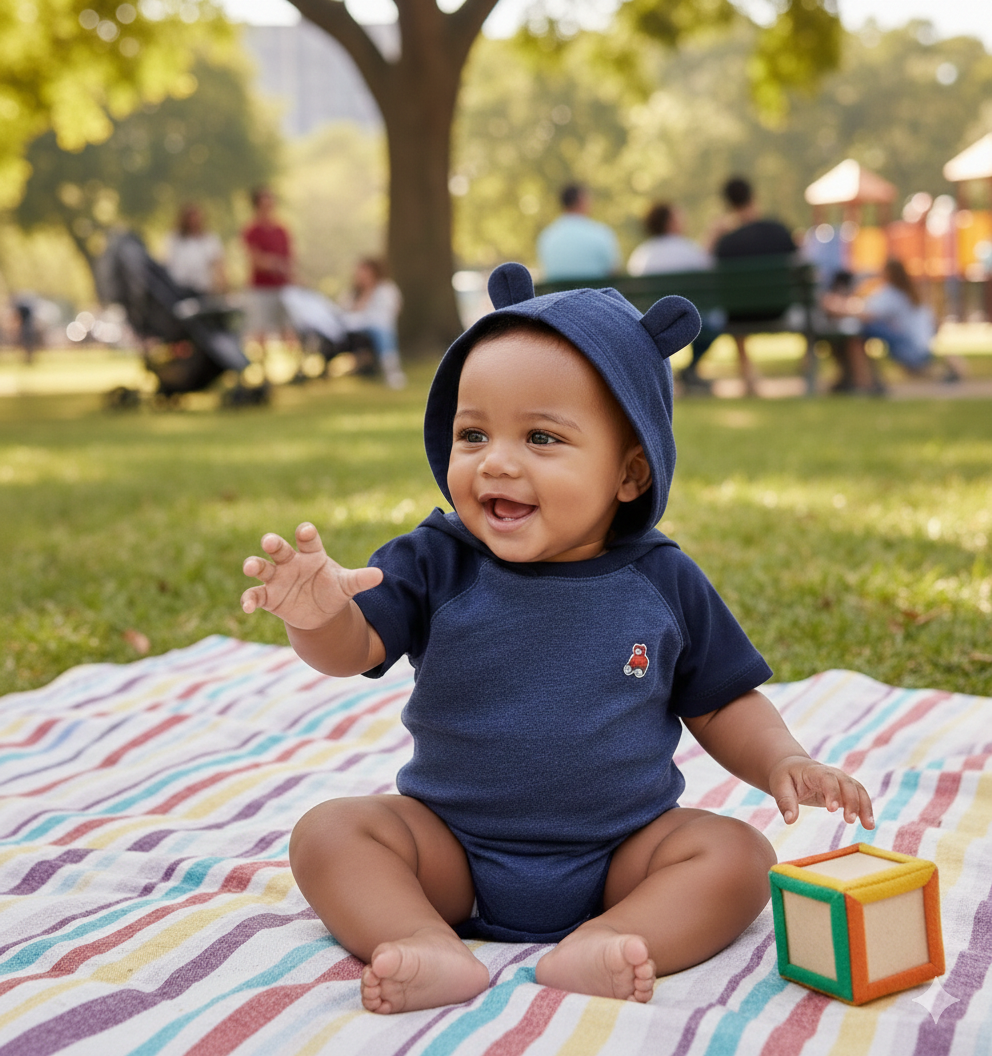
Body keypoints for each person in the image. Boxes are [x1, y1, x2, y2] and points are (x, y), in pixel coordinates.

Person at [241, 262, 874, 1015]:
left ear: (630, 473)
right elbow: (356, 648)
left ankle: (612, 939)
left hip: (622, 858)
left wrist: (782, 759)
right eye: (472, 433)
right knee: (329, 832)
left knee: (738, 856)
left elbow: (721, 700)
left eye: (541, 437)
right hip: (451, 852)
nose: (496, 461)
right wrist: (317, 618)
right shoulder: (437, 559)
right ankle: (422, 940)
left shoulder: (663, 581)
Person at [710, 177, 798, 396]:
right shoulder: (779, 230)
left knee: (734, 309)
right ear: (754, 197)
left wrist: (712, 236)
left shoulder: (725, 243)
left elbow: (708, 271)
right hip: (780, 309)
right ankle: (808, 369)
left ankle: (748, 378)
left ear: (728, 205)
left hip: (740, 316)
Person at [628, 202, 720, 394]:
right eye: (679, 216)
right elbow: (709, 269)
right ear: (670, 222)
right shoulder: (687, 249)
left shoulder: (642, 255)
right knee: (717, 319)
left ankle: (676, 375)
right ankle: (691, 369)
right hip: (691, 319)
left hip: (650, 322)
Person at [822, 259, 961, 384]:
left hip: (911, 350)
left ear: (888, 273)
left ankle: (863, 379)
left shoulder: (891, 294)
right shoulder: (909, 294)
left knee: (867, 328)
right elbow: (934, 324)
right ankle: (863, 378)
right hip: (923, 349)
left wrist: (834, 307)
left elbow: (866, 315)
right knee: (873, 327)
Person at [242, 187, 294, 360]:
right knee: (260, 330)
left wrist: (287, 272)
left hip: (282, 287)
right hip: (260, 288)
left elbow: (290, 259)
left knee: (288, 328)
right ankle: (261, 366)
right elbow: (255, 259)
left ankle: (294, 364)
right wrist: (274, 264)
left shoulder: (282, 230)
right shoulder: (252, 230)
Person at [343, 257, 406, 390]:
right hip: (354, 328)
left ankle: (391, 370)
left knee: (382, 331)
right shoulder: (353, 293)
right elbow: (345, 311)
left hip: (379, 326)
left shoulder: (386, 289)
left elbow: (392, 310)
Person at [537, 183, 621, 281]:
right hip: (595, 290)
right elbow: (614, 272)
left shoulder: (546, 237)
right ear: (581, 200)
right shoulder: (601, 233)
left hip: (559, 291)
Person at [164, 204, 227, 296]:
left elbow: (219, 264)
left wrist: (223, 287)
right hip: (178, 289)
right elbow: (166, 262)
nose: (194, 223)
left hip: (203, 289)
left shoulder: (209, 239)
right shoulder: (174, 239)